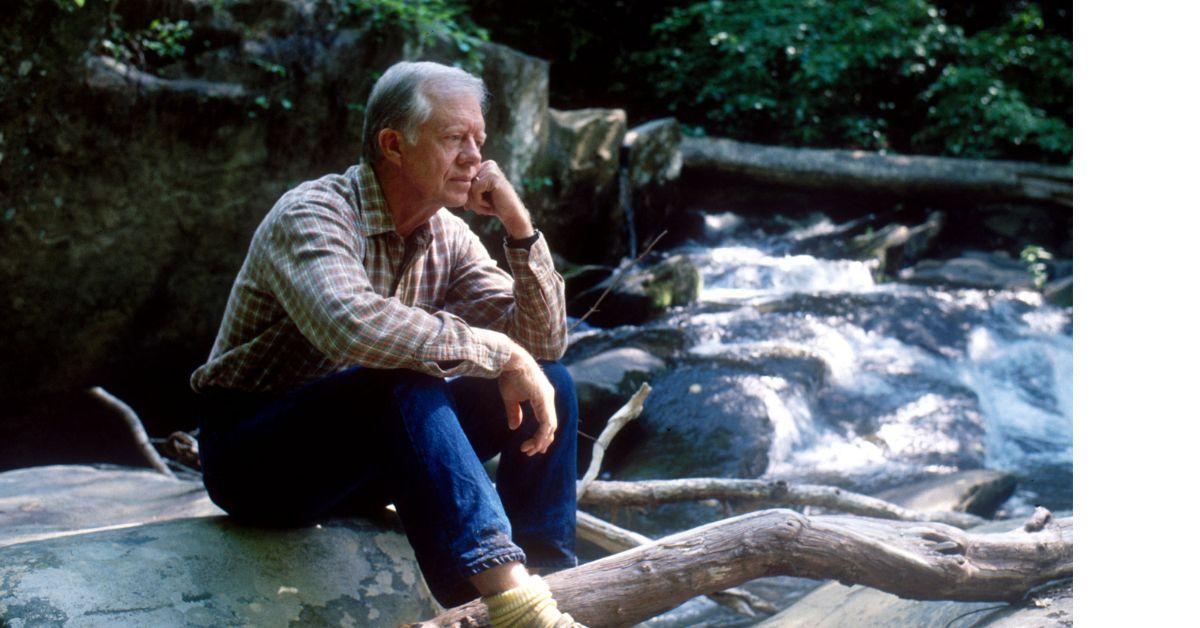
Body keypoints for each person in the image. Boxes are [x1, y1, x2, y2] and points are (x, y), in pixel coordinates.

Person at [190, 60, 584, 627]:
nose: (477, 159)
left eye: (479, 140)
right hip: (256, 457)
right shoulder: (313, 214)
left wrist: (520, 229)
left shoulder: (446, 233)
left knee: (555, 382)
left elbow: (543, 342)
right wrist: (501, 353)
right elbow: (353, 327)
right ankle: (518, 610)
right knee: (398, 377)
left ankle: (554, 582)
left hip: (360, 457)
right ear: (394, 145)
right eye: (455, 139)